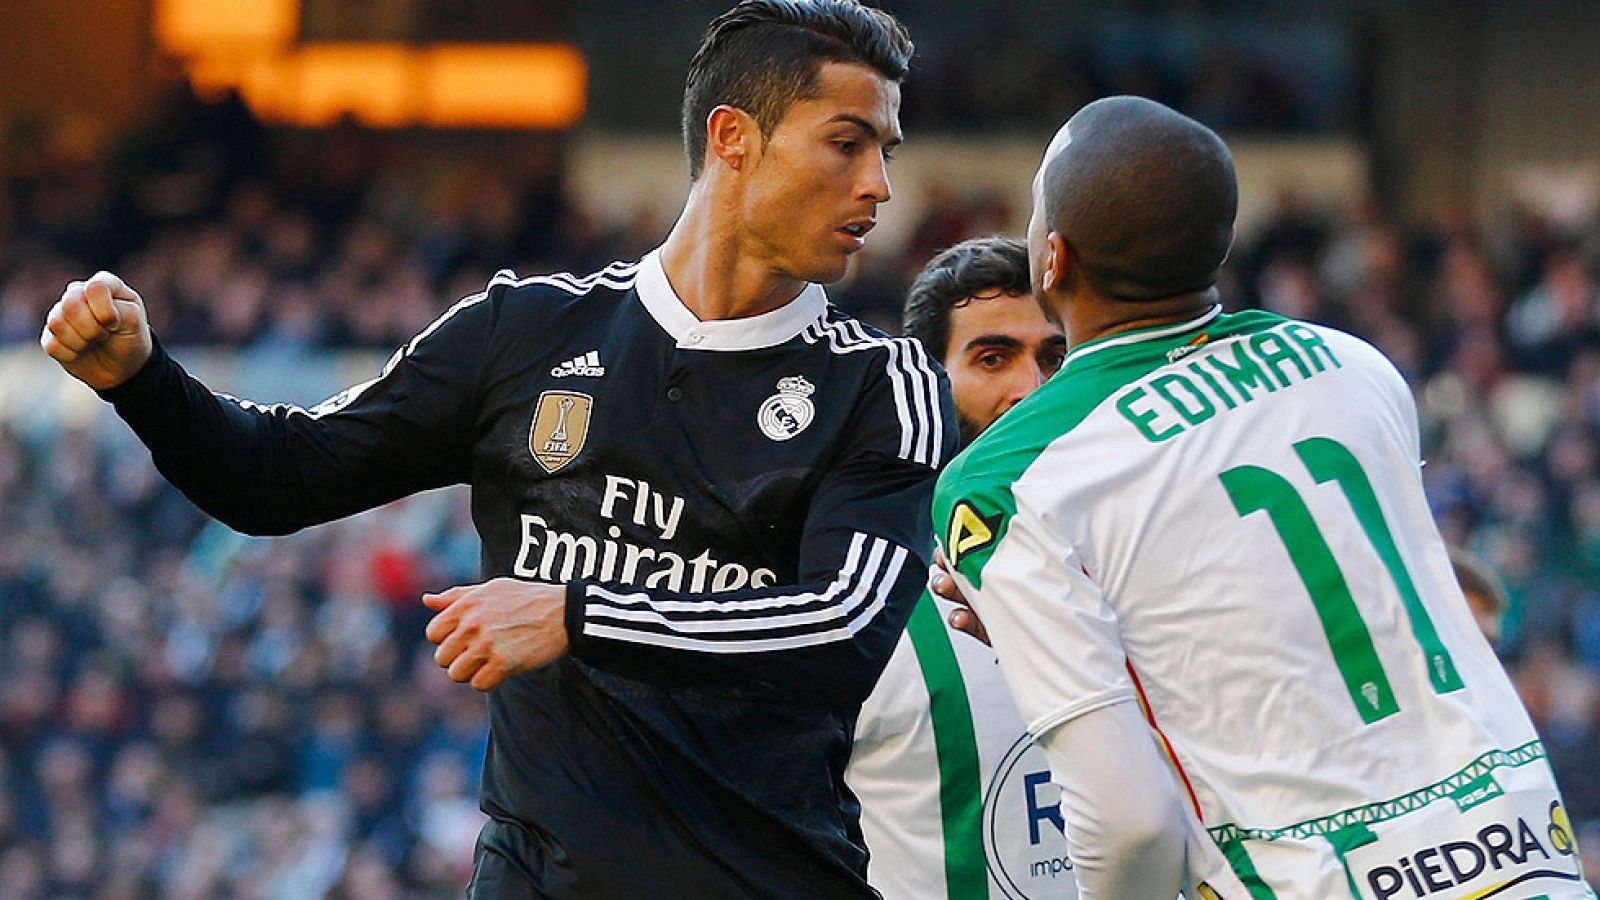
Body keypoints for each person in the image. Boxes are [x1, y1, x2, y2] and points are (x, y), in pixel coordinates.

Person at [39, 2, 955, 896]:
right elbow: (277, 480)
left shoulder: (880, 387)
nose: (878, 182)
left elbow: (840, 630)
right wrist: (143, 379)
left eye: (886, 151)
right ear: (732, 137)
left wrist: (577, 614)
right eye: (848, 142)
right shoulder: (523, 332)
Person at [932, 96, 1591, 899]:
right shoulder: (1356, 366)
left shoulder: (1007, 477)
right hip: (1524, 856)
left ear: (1053, 258)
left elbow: (1132, 821)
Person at [847, 236, 1076, 899]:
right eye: (993, 358)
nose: (1031, 390)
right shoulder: (864, 596)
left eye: (1055, 358)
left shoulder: (1145, 569)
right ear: (926, 382)